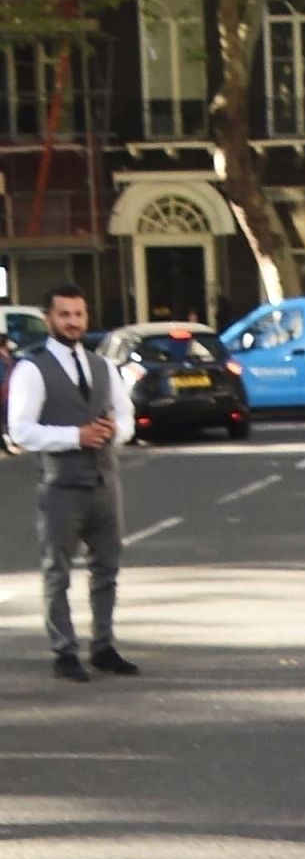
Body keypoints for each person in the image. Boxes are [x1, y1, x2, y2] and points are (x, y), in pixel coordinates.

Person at [4, 283, 138, 682]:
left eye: (78, 314)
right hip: (61, 485)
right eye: (64, 314)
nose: (73, 322)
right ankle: (64, 650)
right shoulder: (32, 368)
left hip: (104, 482)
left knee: (107, 569)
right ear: (48, 319)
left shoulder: (103, 366)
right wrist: (74, 436)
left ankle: (103, 645)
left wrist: (114, 431)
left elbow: (127, 417)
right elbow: (21, 431)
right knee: (57, 571)